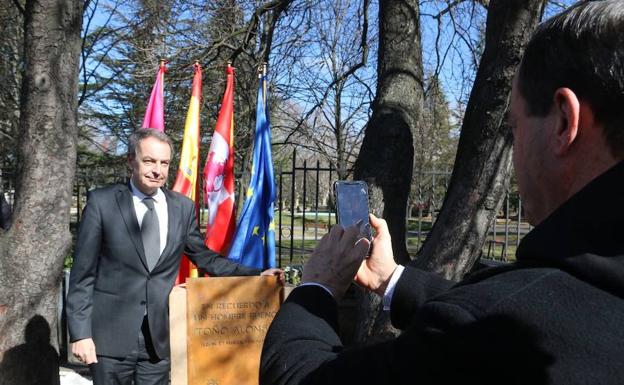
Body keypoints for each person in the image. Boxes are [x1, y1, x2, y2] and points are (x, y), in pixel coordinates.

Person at [260, 1, 624, 384]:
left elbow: (298, 377)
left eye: (514, 128)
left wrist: (317, 286)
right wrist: (392, 278)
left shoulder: (488, 336)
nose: (515, 154)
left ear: (564, 122)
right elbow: (532, 307)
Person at [66, 128, 283, 385]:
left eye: (164, 163)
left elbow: (205, 258)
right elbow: (82, 275)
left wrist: (255, 273)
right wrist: (80, 334)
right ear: (131, 161)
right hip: (109, 338)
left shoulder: (182, 207)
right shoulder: (102, 203)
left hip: (158, 340)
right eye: (149, 161)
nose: (157, 170)